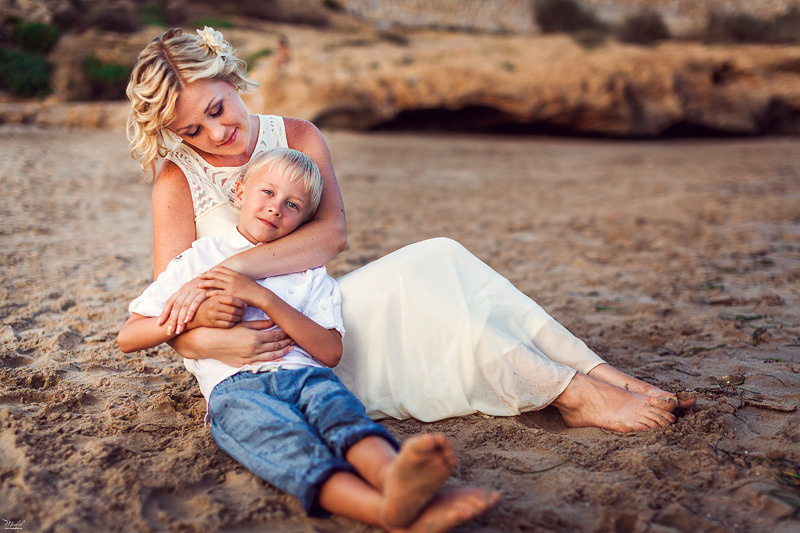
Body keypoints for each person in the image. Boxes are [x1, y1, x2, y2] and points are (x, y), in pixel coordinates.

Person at [126, 27, 694, 433]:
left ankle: (599, 373)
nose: (216, 134)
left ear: (232, 78)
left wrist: (231, 272)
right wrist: (217, 338)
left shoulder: (296, 136)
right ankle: (572, 394)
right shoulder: (177, 182)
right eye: (193, 129)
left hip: (318, 313)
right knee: (435, 297)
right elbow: (171, 309)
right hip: (263, 352)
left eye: (219, 109)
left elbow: (330, 239)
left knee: (440, 257)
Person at [118, 148, 500, 531]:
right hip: (235, 388)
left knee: (342, 416)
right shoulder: (198, 260)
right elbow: (130, 336)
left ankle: (393, 476)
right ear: (239, 192)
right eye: (266, 192)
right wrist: (198, 316)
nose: (275, 208)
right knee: (284, 443)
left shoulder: (307, 271)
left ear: (305, 220)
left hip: (306, 376)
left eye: (292, 204)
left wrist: (262, 297)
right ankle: (382, 510)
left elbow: (331, 352)